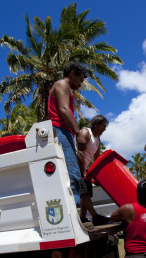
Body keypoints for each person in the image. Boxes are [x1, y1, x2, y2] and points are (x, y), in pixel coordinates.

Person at [48, 62, 87, 208]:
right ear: (72, 73)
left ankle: (71, 210)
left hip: (64, 132)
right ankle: (71, 212)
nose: (81, 84)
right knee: (72, 174)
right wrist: (78, 133)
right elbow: (64, 109)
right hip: (60, 130)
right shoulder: (61, 84)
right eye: (80, 79)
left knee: (70, 173)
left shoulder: (66, 88)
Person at [77, 114, 110, 226]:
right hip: (76, 166)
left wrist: (95, 174)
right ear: (96, 125)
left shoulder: (97, 140)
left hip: (84, 168)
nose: (104, 129)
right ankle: (95, 217)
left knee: (86, 193)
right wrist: (84, 171)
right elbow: (79, 153)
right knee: (84, 191)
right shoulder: (86, 133)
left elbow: (97, 159)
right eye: (103, 126)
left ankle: (82, 217)